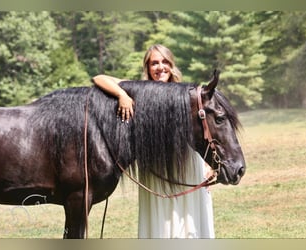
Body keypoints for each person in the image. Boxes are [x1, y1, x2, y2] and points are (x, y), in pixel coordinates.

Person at [92, 44, 215, 238]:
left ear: (172, 65)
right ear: (147, 68)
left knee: (191, 223)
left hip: (189, 168)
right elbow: (99, 78)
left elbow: (203, 131)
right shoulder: (140, 90)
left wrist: (208, 164)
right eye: (154, 63)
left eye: (165, 62)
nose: (160, 67)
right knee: (162, 227)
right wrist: (122, 94)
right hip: (156, 172)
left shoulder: (185, 92)